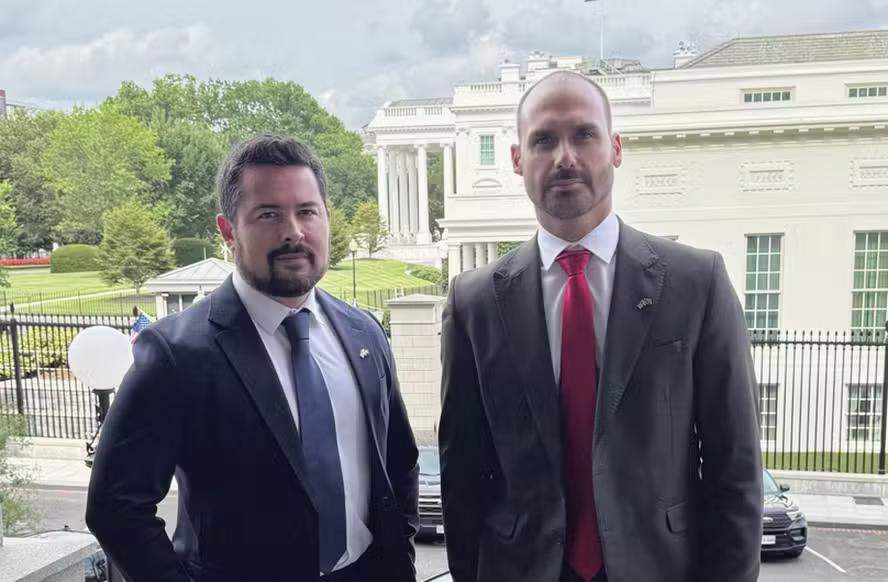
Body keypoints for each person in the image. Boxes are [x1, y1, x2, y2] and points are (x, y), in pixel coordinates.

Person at [439, 71, 762, 582]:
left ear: (615, 148)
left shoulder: (696, 282)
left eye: (584, 134)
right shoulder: (473, 302)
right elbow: (461, 473)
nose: (564, 157)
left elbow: (735, 465)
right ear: (517, 159)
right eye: (543, 140)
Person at [86, 135, 419, 582]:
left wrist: (401, 556)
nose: (293, 232)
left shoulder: (364, 332)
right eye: (268, 214)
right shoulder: (177, 354)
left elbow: (399, 461)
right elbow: (116, 507)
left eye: (307, 211)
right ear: (227, 231)